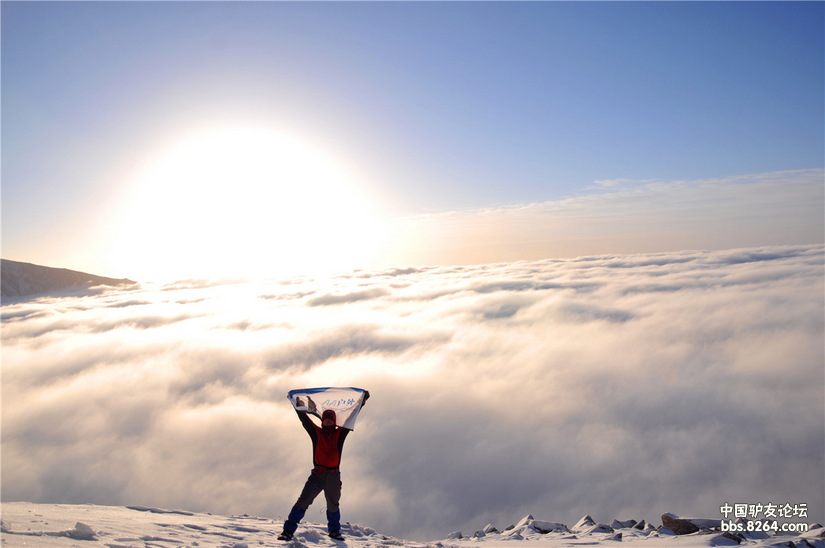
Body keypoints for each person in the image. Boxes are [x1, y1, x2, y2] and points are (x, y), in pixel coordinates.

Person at [279, 391, 369, 541]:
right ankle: (288, 531)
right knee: (303, 502)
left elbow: (351, 416)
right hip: (317, 474)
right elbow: (304, 420)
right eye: (325, 420)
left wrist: (362, 402)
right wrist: (295, 403)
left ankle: (334, 531)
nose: (327, 422)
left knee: (333, 505)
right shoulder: (316, 433)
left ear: (334, 421)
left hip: (333, 476)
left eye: (330, 420)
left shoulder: (340, 433)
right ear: (323, 421)